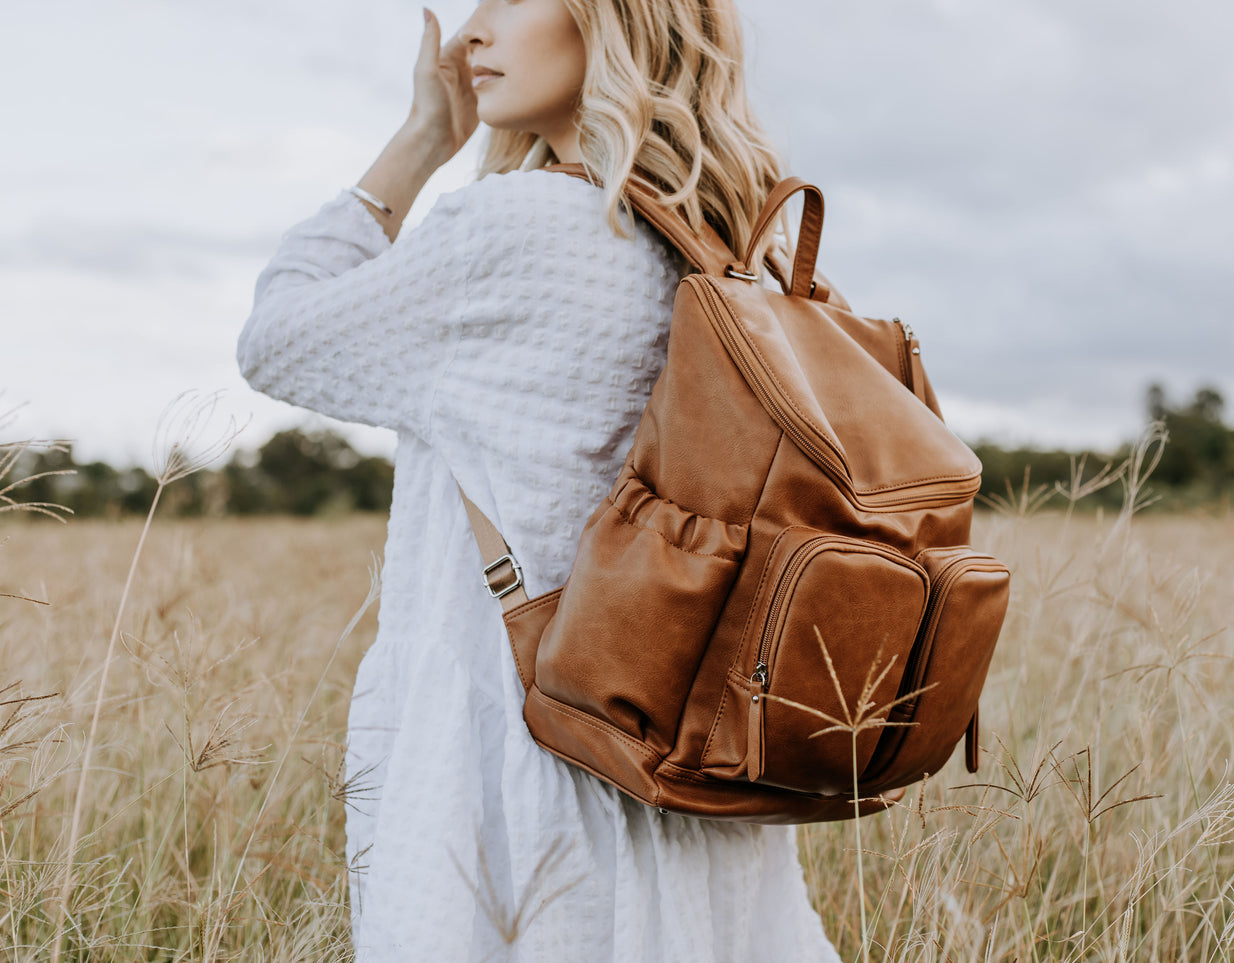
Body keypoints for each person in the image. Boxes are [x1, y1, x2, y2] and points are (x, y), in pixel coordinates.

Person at [236, 1, 843, 959]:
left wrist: (419, 140)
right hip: (697, 771)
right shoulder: (736, 252)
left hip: (527, 763)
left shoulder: (513, 228)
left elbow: (275, 340)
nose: (469, 32)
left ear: (619, 20)